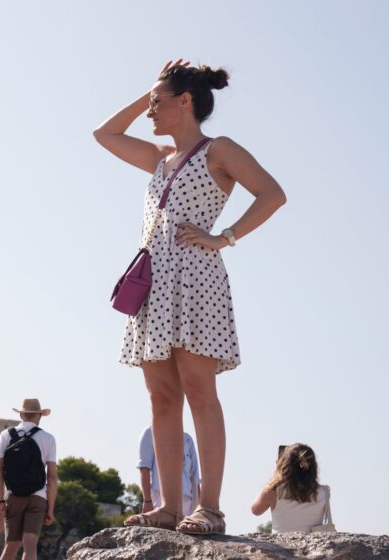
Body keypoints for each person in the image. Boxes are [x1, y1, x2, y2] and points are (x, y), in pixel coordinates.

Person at [94, 59, 287, 534]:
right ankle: (167, 507)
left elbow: (272, 193)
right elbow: (104, 134)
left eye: (158, 103)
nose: (150, 112)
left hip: (197, 279)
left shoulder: (218, 149)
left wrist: (226, 237)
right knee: (161, 397)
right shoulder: (159, 156)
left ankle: (211, 508)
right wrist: (149, 91)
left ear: (186, 103)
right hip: (153, 284)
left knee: (200, 391)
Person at [0, 399, 57, 560]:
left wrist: (0, 501)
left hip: (14, 495)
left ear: (21, 415)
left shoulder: (6, 435)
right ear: (39, 416)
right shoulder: (48, 438)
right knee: (30, 545)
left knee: (11, 545)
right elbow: (51, 475)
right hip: (38, 497)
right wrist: (50, 508)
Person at [251, 444, 332, 532]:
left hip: (281, 544)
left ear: (284, 465)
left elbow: (255, 510)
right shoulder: (324, 492)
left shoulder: (273, 491)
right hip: (314, 544)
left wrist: (276, 474)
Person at [137, 426, 200, 515]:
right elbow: (144, 468)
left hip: (187, 502)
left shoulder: (187, 439)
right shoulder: (149, 432)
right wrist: (147, 501)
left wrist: (198, 509)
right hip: (159, 498)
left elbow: (195, 476)